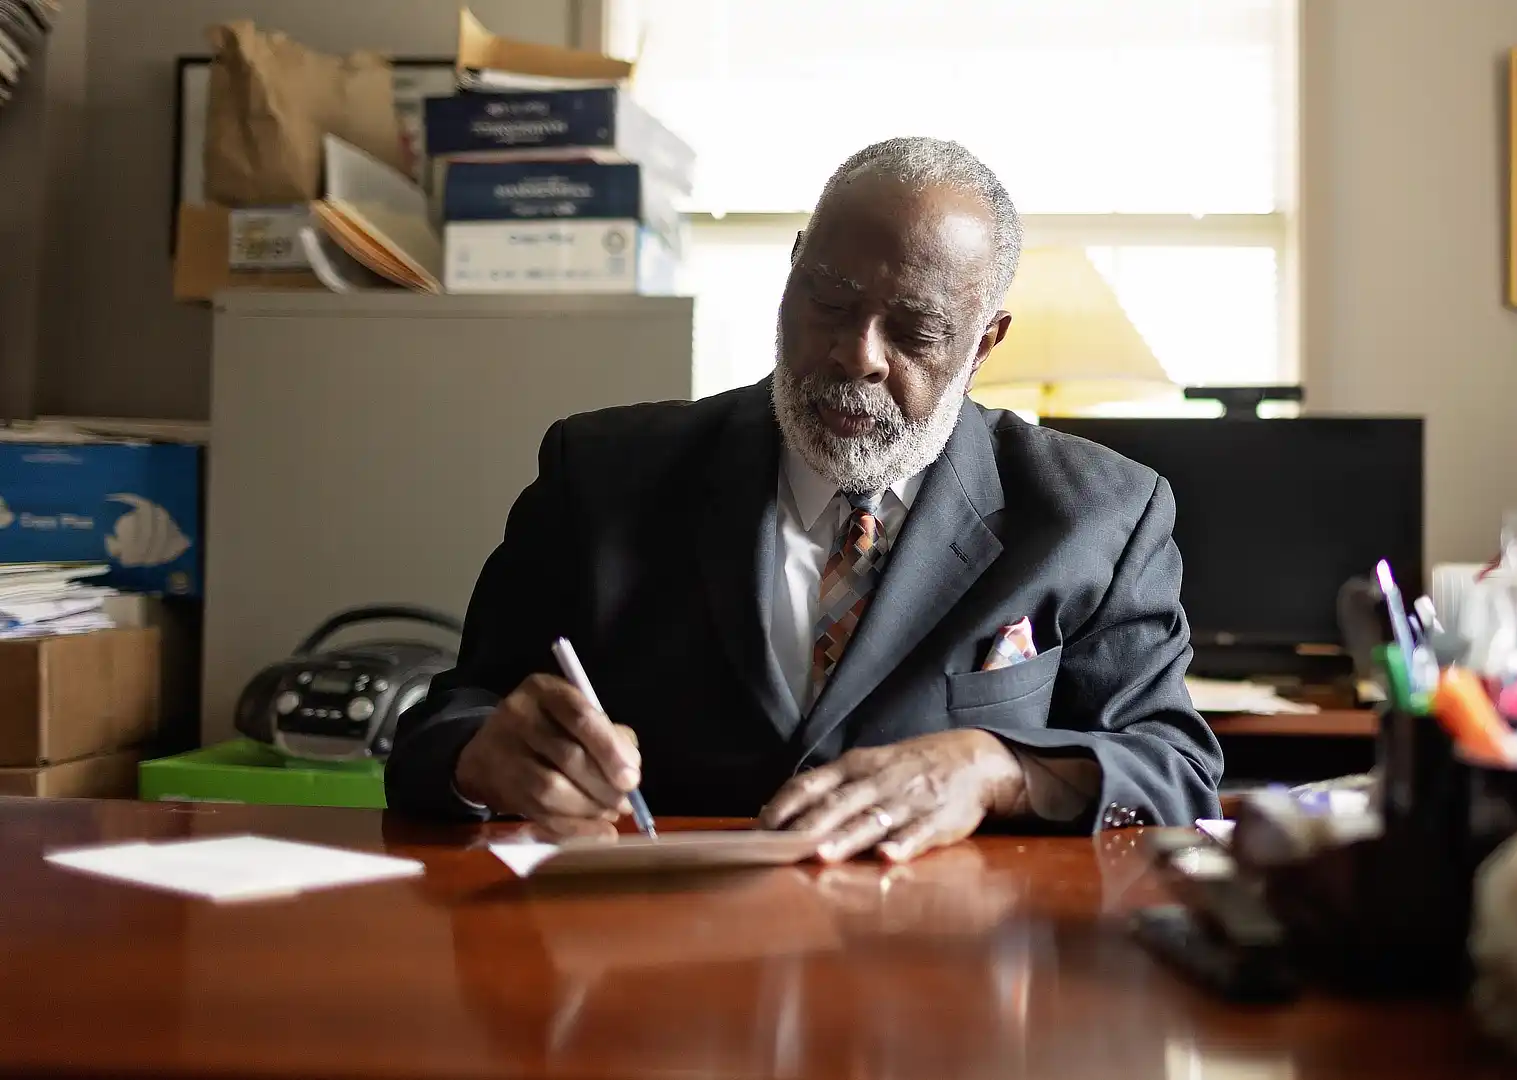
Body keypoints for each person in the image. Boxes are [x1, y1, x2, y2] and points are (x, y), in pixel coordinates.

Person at [385, 136, 1222, 862]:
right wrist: (486, 756)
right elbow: (444, 726)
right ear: (791, 272)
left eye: (917, 332)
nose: (856, 354)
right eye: (828, 300)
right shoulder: (602, 473)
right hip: (654, 971)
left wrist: (998, 770)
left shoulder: (1099, 513)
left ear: (984, 344)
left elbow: (1177, 772)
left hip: (947, 983)